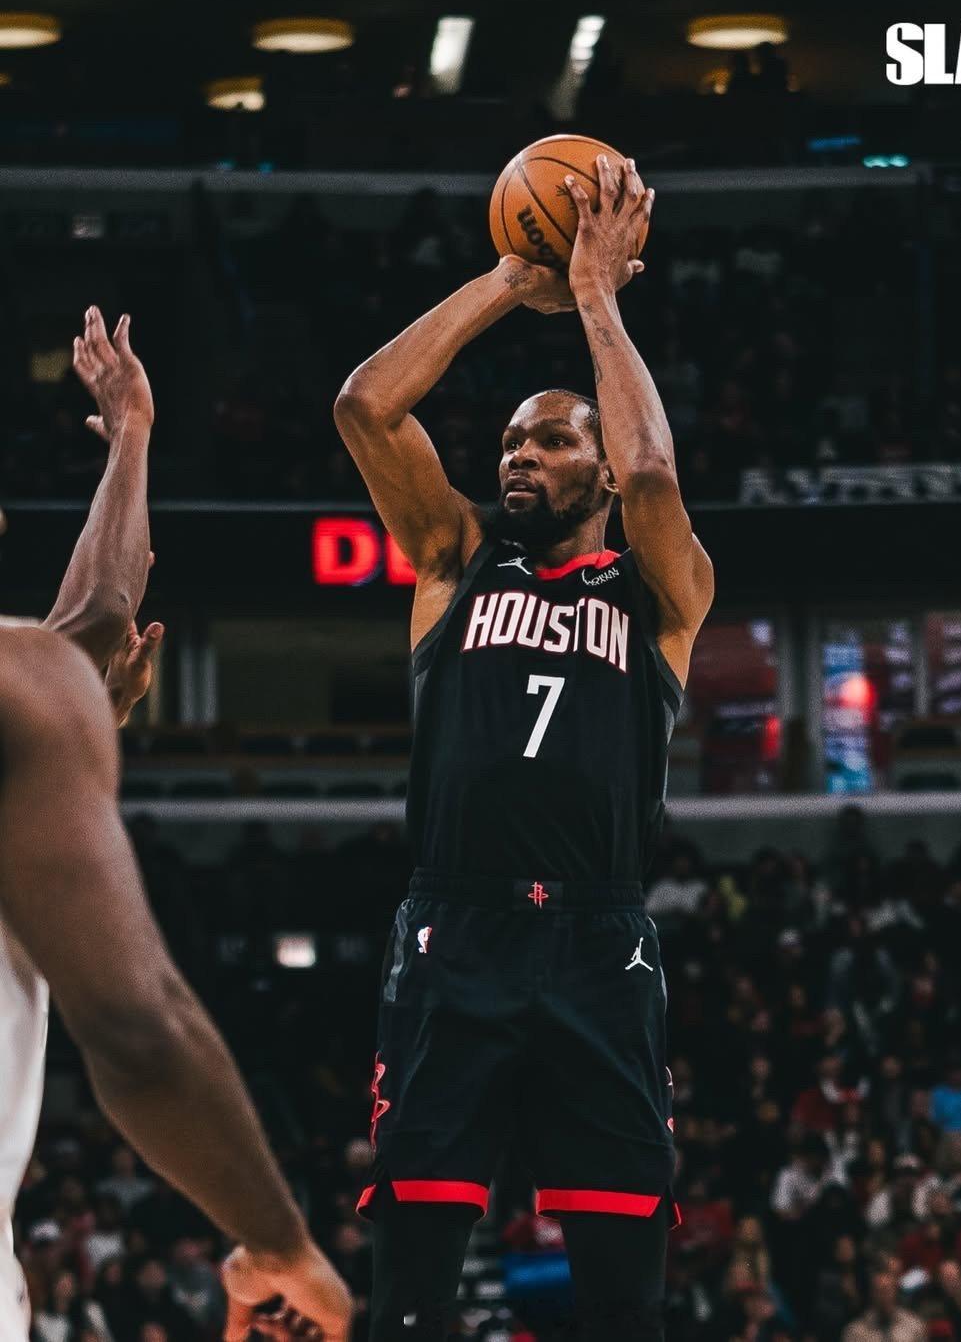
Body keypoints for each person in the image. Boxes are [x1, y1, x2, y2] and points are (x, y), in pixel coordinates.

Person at [334, 154, 714, 1340]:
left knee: (624, 1304)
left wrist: (595, 296)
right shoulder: (455, 559)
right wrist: (510, 279)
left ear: (595, 468)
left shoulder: (662, 593)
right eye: (510, 441)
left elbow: (654, 469)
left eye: (549, 441)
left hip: (601, 937)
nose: (517, 456)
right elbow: (365, 407)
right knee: (410, 1301)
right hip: (456, 929)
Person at [0, 308, 351, 1342]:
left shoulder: (33, 693)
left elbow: (88, 630)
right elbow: (138, 1033)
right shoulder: (23, 698)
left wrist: (132, 443)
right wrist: (278, 1240)